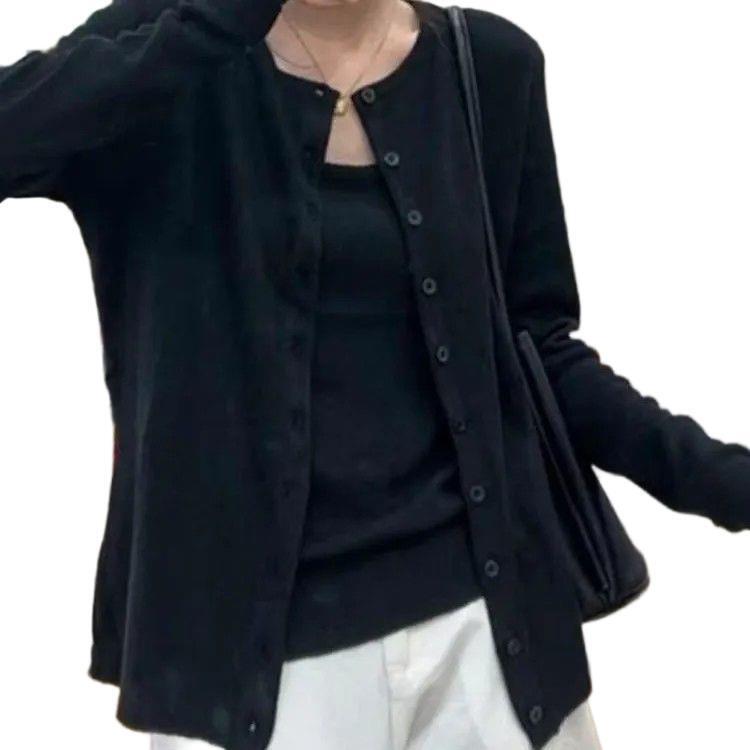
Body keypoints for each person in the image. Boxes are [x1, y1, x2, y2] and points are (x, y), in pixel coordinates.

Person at [1, 0, 747, 748]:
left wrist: (720, 479)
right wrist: (214, 25)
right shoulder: (167, 55)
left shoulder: (488, 65)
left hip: (491, 639)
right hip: (257, 673)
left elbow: (537, 352)